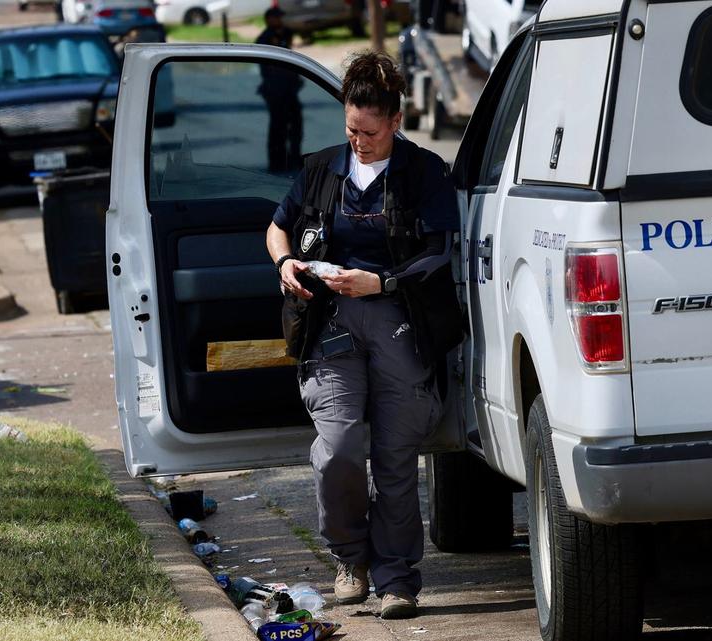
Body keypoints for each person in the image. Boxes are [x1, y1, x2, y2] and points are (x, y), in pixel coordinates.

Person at [265, 51, 461, 620]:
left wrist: (382, 280)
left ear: (396, 122)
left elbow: (438, 252)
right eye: (351, 128)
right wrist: (286, 265)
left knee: (396, 459)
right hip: (330, 328)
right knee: (339, 452)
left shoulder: (424, 173)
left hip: (401, 323)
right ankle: (350, 558)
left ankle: (397, 579)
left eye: (369, 132)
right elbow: (279, 228)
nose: (358, 141)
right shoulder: (321, 169)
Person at [256, 7, 303, 173]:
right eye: (277, 18)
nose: (280, 21)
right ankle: (277, 162)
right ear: (269, 19)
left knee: (296, 125)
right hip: (275, 90)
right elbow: (267, 67)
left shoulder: (286, 33)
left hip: (289, 89)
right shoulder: (264, 38)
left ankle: (294, 158)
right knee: (278, 127)